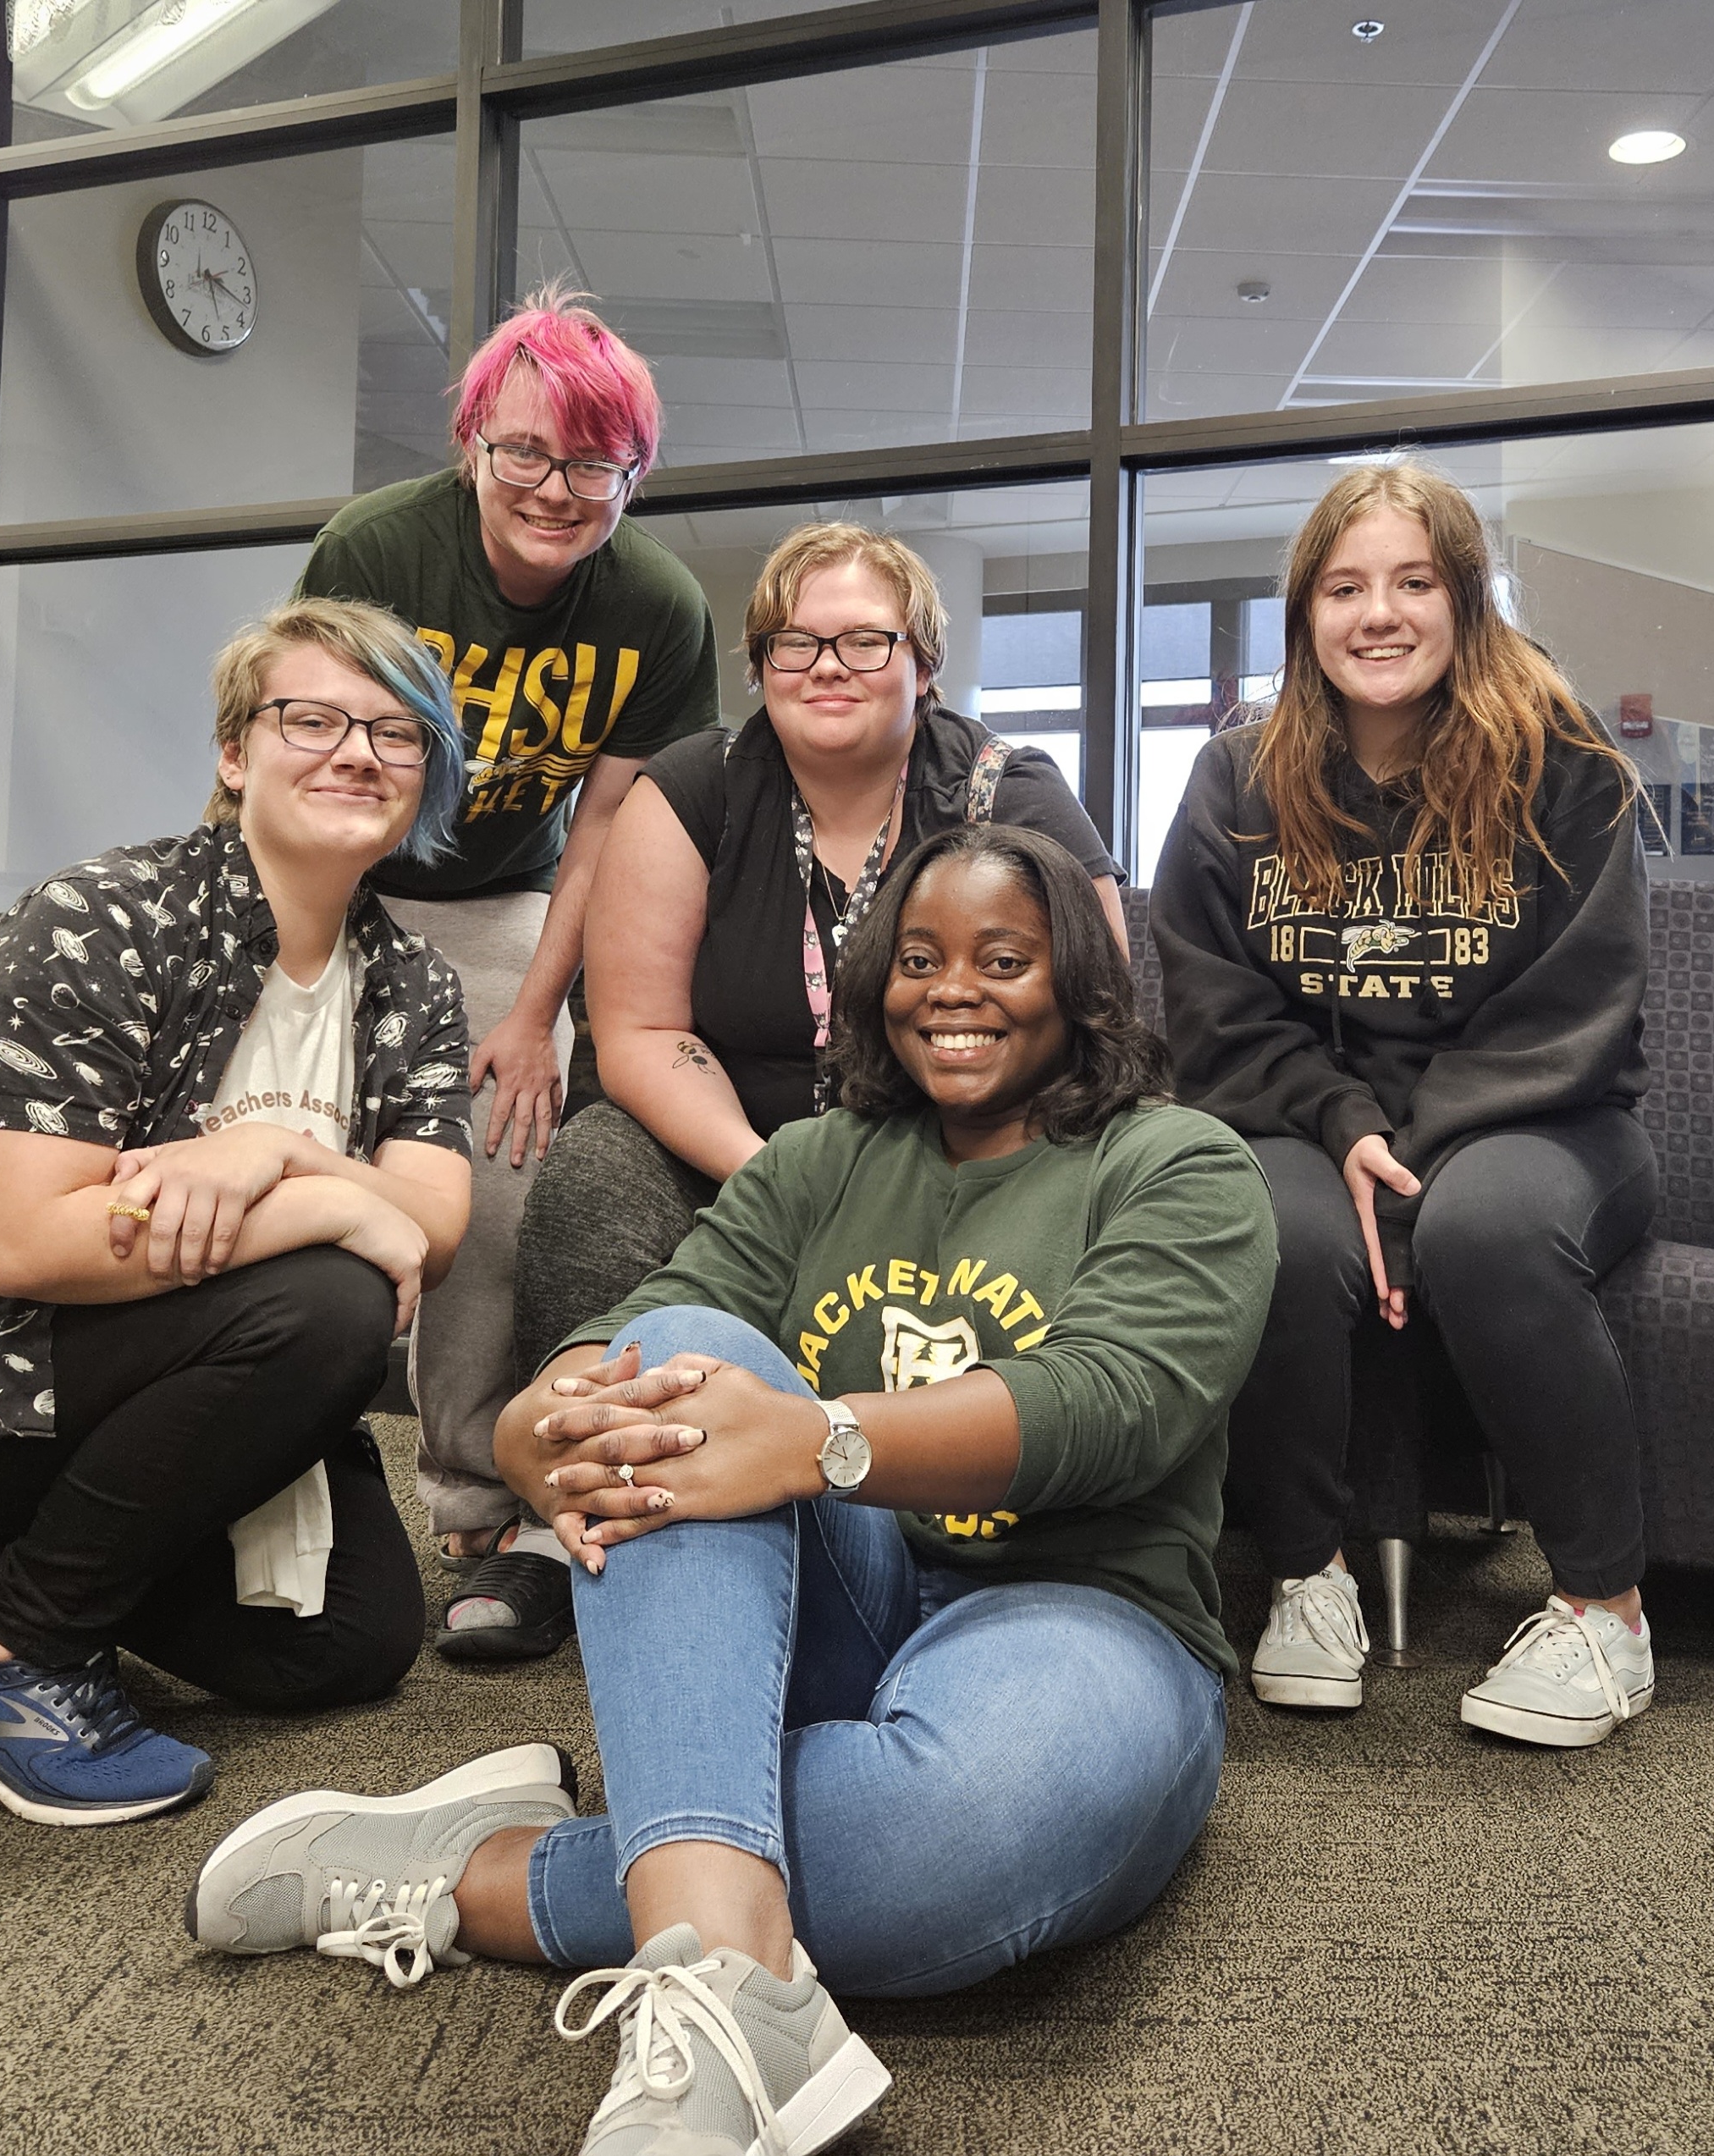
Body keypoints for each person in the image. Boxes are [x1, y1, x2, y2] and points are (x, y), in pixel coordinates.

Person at [181, 824, 1275, 2156]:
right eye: (920, 958)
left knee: (950, 1849)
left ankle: (473, 1873)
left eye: (1005, 959)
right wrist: (548, 1410)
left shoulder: (1182, 1163)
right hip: (837, 1595)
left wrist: (823, 1440)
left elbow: (1116, 1404)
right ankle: (730, 1996)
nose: (954, 989)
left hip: (1084, 1613)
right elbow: (655, 1319)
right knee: (683, 1363)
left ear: (1082, 987)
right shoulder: (826, 1157)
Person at [0, 598, 476, 1826]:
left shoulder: (410, 982)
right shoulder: (105, 917)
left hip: (169, 1355)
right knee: (332, 1302)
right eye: (313, 718)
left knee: (348, 1647)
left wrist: (269, 1158)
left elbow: (435, 1221)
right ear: (234, 752)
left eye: (398, 732)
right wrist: (327, 1205)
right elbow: (28, 1241)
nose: (359, 751)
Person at [456, 525, 1124, 1662]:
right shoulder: (697, 787)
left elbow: (1102, 1011)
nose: (828, 666)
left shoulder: (1007, 792)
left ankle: (923, 1510)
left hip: (943, 1148)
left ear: (925, 664)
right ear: (758, 664)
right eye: (796, 642)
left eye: (867, 642)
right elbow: (642, 1033)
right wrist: (772, 1174)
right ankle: (570, 1506)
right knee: (599, 1165)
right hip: (729, 1141)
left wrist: (897, 1174)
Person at [1149, 459, 1661, 1748]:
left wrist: (1409, 1156)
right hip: (1312, 1124)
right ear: (1306, 616)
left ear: (1464, 601)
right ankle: (1306, 1576)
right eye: (1345, 587)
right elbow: (1213, 1010)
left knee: (1483, 1226)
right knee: (1279, 1225)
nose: (1378, 614)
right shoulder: (1234, 783)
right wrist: (1343, 1130)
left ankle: (1607, 1610)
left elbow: (1578, 1006)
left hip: (1540, 1120)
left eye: (1413, 583)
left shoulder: (1569, 768)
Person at [295, 287, 721, 1596]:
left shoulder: (656, 604)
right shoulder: (377, 547)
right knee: (288, 1142)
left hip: (512, 898)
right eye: (524, 450)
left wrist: (537, 1015)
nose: (554, 486)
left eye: (594, 462)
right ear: (473, 440)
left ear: (632, 476)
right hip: (346, 872)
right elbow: (309, 747)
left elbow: (608, 823)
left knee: (503, 1168)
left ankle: (479, 1495)